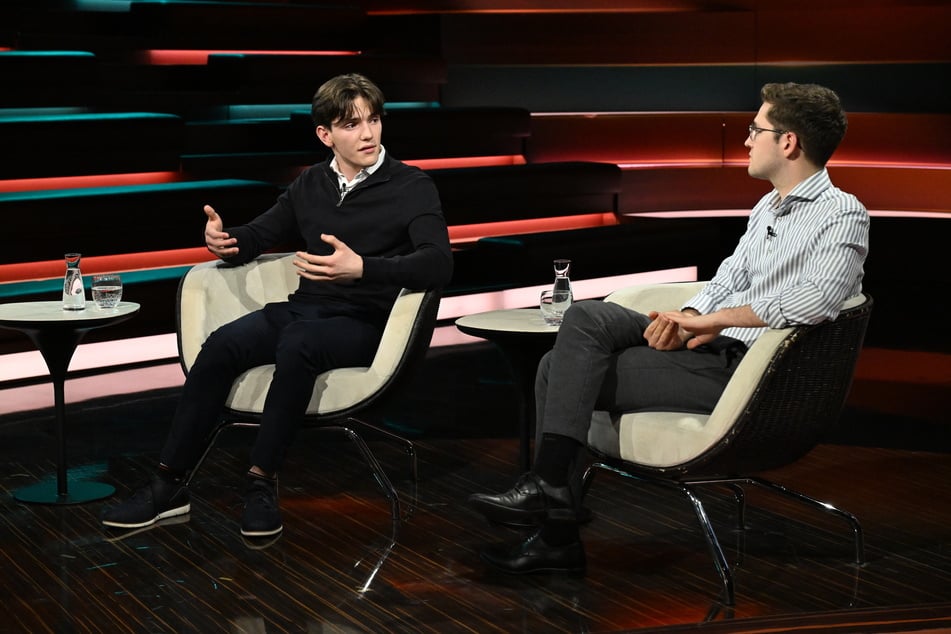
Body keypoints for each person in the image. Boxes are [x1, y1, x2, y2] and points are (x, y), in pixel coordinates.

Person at [468, 82, 869, 574]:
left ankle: (553, 520)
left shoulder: (842, 213)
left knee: (555, 368)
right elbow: (727, 282)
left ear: (788, 143)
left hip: (748, 376)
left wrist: (710, 323)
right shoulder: (767, 207)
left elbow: (818, 299)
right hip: (710, 349)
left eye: (755, 129)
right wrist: (688, 322)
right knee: (587, 316)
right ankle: (551, 498)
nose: (746, 140)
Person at [102, 73, 453, 539]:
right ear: (325, 134)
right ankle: (168, 485)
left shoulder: (412, 186)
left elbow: (438, 264)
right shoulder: (311, 182)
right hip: (304, 309)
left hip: (366, 319)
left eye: (373, 120)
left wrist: (363, 269)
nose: (368, 134)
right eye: (351, 125)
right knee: (222, 345)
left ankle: (260, 482)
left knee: (299, 343)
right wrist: (226, 242)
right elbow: (260, 235)